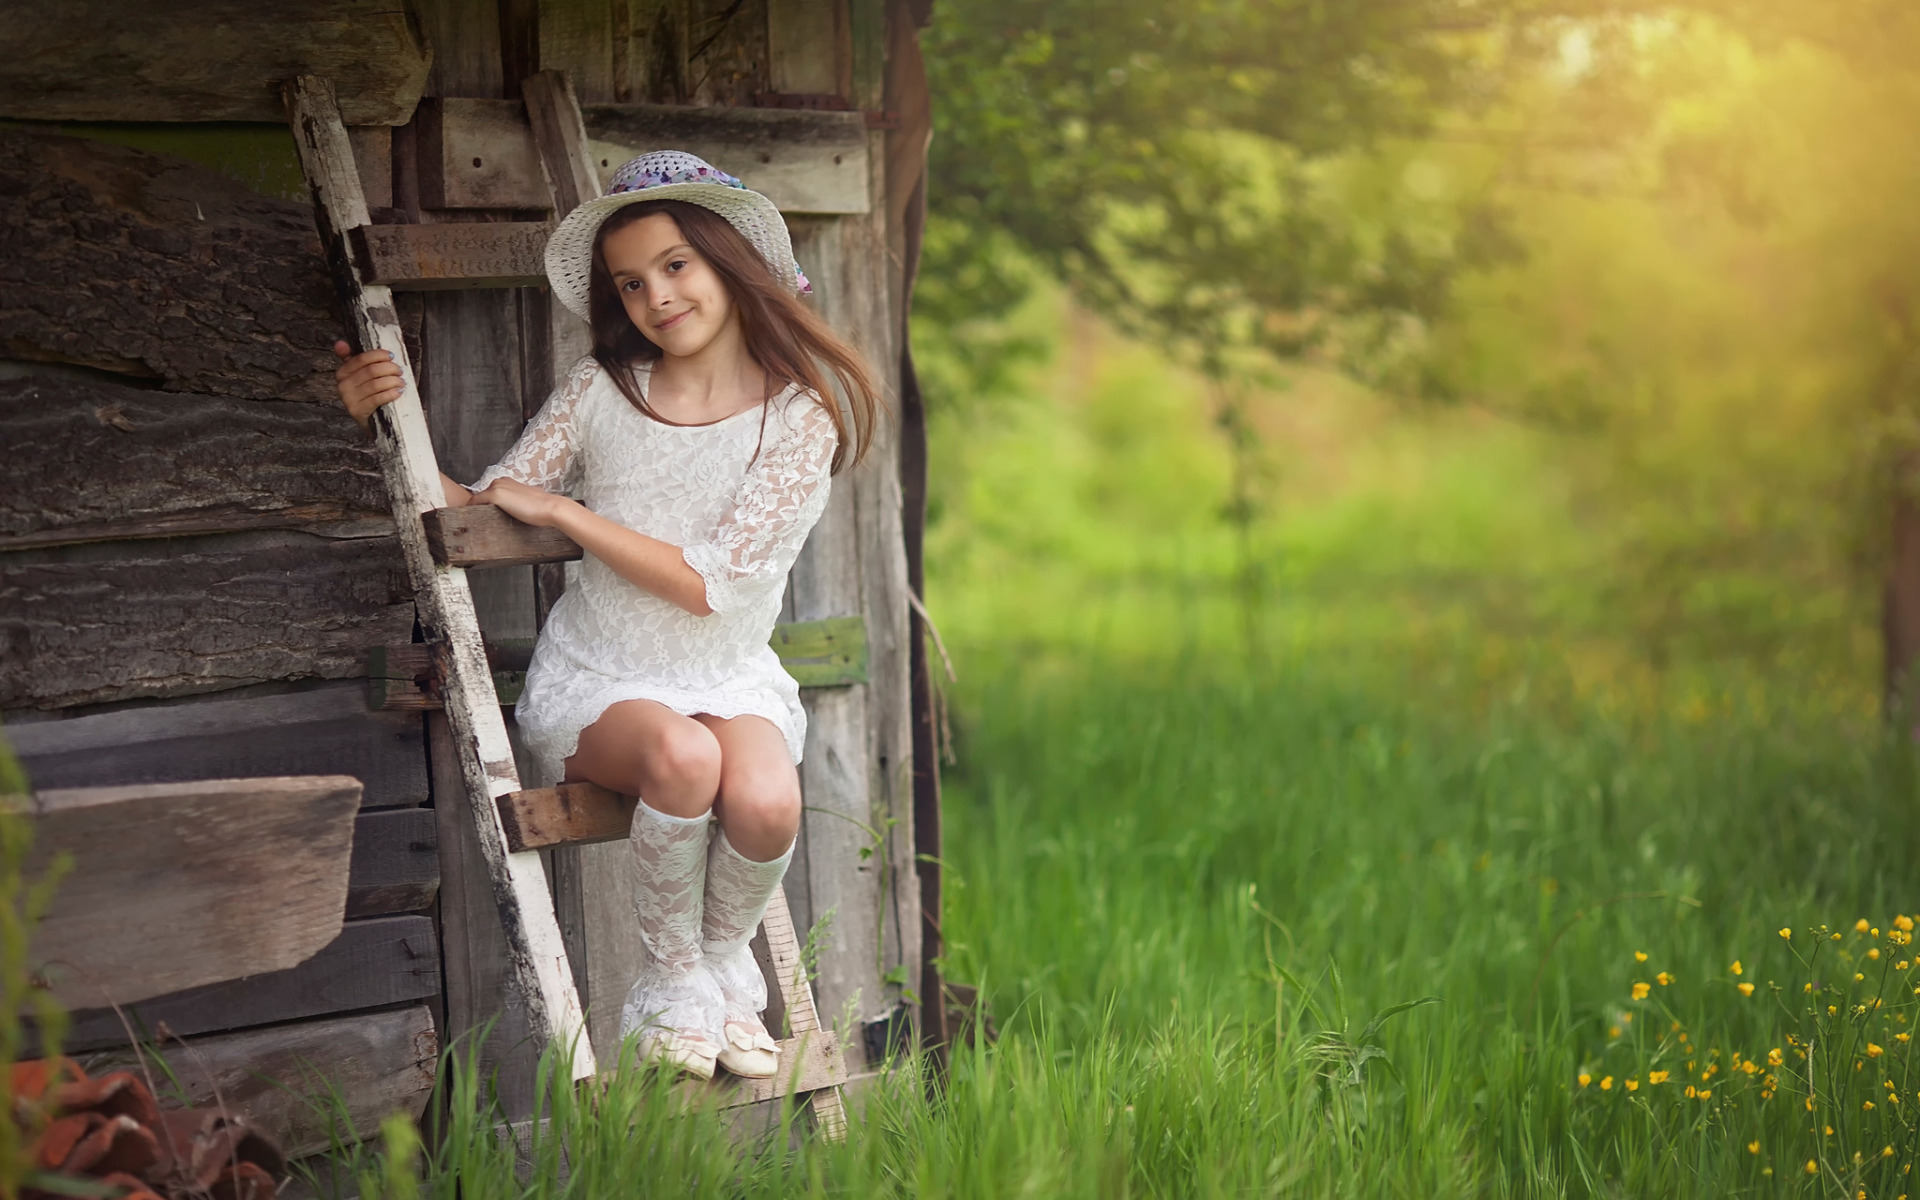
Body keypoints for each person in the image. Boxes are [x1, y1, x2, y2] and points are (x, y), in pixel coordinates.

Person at [331, 151, 879, 1082]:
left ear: (731, 261)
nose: (656, 296)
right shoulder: (603, 392)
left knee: (769, 798)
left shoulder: (800, 416)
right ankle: (669, 987)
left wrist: (573, 516)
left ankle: (715, 976)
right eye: (631, 283)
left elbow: (715, 585)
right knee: (685, 758)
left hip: (729, 674)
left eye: (676, 266)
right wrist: (382, 420)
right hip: (605, 678)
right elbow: (480, 505)